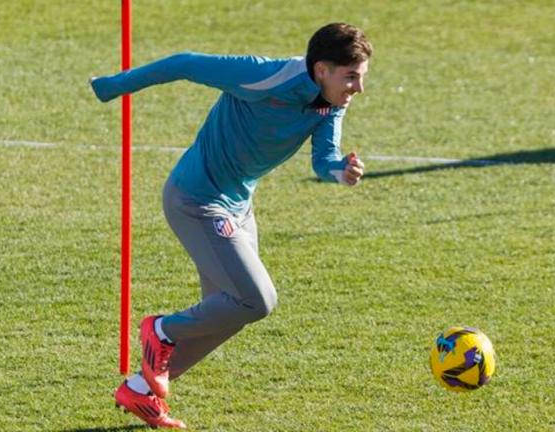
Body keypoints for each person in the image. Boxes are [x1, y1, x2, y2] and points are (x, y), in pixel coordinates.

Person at [90, 22, 372, 429]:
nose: (357, 89)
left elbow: (323, 157)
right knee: (257, 300)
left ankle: (139, 390)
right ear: (323, 69)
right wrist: (113, 86)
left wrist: (339, 171)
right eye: (351, 77)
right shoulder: (265, 75)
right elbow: (186, 63)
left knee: (227, 312)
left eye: (360, 78)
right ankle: (161, 329)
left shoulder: (332, 101)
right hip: (195, 199)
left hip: (239, 207)